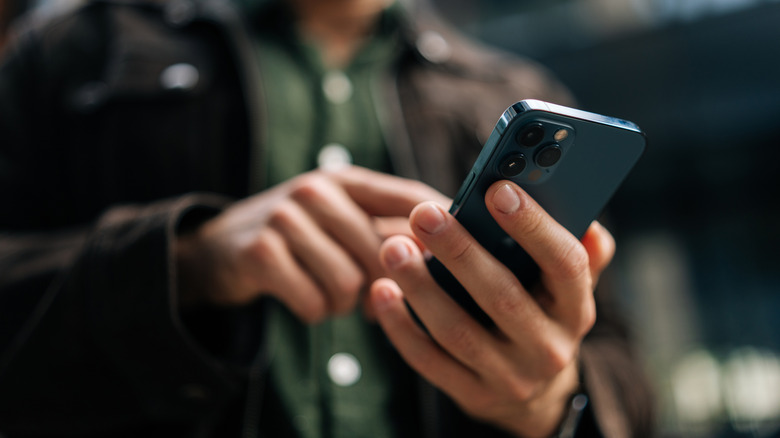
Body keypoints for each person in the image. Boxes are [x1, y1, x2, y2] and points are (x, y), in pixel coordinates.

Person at [0, 0, 654, 436]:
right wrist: (193, 262)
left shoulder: (499, 89)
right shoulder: (76, 50)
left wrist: (549, 401)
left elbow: (627, 378)